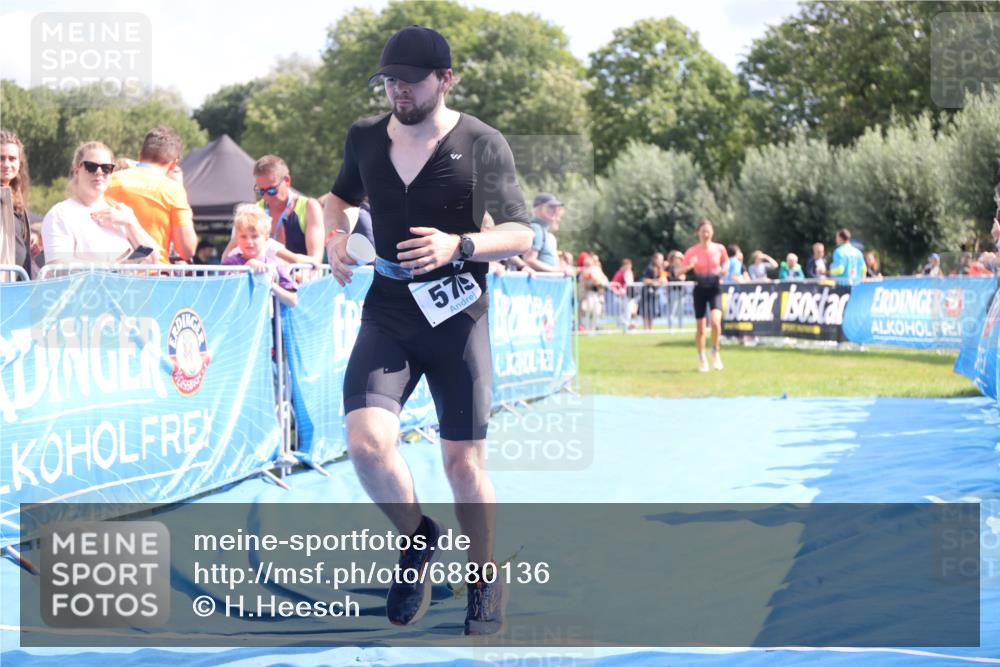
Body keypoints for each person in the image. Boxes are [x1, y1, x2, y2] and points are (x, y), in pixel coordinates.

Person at [322, 25, 533, 636]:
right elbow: (337, 198)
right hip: (389, 308)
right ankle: (418, 539)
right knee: (365, 444)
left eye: (410, 82)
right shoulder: (364, 136)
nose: (398, 92)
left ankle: (485, 576)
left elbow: (522, 233)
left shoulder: (482, 142)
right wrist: (336, 238)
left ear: (446, 79)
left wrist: (460, 244)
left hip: (458, 315)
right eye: (389, 81)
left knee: (463, 465)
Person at [41, 142, 160, 265]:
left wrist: (131, 223)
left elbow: (153, 259)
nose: (99, 172)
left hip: (125, 284)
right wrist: (110, 268)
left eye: (106, 168)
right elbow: (57, 267)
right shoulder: (60, 214)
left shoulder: (121, 212)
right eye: (91, 167)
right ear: (77, 171)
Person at [105, 127, 197, 263]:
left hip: (112, 273)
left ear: (140, 155)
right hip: (154, 275)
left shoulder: (108, 181)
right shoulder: (173, 190)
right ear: (173, 164)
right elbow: (186, 250)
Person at [222, 205, 297, 307]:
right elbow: (224, 291)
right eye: (243, 236)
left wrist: (271, 284)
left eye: (255, 236)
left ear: (266, 237)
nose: (249, 241)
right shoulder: (230, 263)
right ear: (237, 239)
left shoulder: (275, 266)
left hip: (266, 322)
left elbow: (293, 301)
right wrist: (245, 269)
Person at [679, 219, 729, 372]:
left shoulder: (719, 248)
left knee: (715, 323)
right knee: (701, 329)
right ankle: (701, 358)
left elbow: (726, 262)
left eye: (708, 231)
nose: (706, 234)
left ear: (712, 232)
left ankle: (715, 351)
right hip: (700, 289)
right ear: (698, 233)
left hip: (715, 287)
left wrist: (724, 269)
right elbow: (678, 272)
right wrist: (689, 266)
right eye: (703, 231)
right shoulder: (691, 251)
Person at [0, 130, 33, 279]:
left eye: (12, 158)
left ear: (20, 163)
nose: (6, 164)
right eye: (1, 158)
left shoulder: (15, 197)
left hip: (18, 285)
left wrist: (34, 232)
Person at [522, 192, 572, 275]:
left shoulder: (543, 231)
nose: (555, 210)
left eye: (556, 207)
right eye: (551, 207)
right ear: (538, 209)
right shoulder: (536, 228)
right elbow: (529, 260)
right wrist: (558, 271)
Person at [578, 253, 609, 332]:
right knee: (587, 311)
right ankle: (586, 328)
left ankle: (593, 328)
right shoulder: (583, 271)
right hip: (588, 294)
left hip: (597, 294)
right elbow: (582, 284)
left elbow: (605, 281)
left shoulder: (598, 270)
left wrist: (599, 282)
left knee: (597, 311)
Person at [640, 252, 667, 330]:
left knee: (652, 312)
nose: (661, 261)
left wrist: (662, 280)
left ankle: (650, 329)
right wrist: (656, 281)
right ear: (655, 259)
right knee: (646, 312)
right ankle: (646, 329)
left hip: (654, 293)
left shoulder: (661, 269)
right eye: (660, 259)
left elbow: (664, 279)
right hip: (646, 293)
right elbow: (645, 280)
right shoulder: (650, 268)